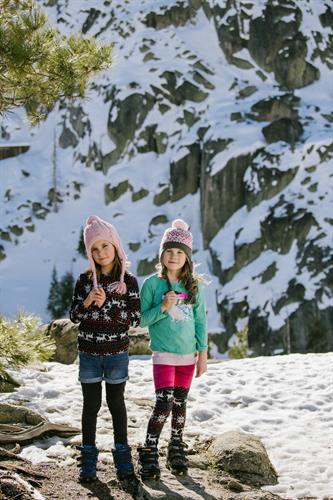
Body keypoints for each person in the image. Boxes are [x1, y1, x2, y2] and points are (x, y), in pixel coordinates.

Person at [69, 215, 140, 484]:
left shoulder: (129, 282)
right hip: (88, 353)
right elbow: (74, 316)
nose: (100, 253)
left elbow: (134, 320)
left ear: (115, 246)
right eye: (94, 249)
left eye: (105, 247)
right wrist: (88, 302)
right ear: (89, 253)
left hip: (117, 354)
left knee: (116, 404)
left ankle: (122, 457)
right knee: (91, 405)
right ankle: (88, 460)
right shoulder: (84, 281)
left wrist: (110, 302)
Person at [138, 219, 208, 479]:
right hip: (163, 354)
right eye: (169, 251)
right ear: (161, 255)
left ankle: (176, 446)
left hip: (188, 355)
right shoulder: (152, 285)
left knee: (180, 403)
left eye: (179, 252)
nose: (174, 256)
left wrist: (203, 354)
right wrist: (163, 308)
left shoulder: (194, 286)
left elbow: (201, 321)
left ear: (187, 257)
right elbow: (141, 320)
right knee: (163, 402)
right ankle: (149, 450)